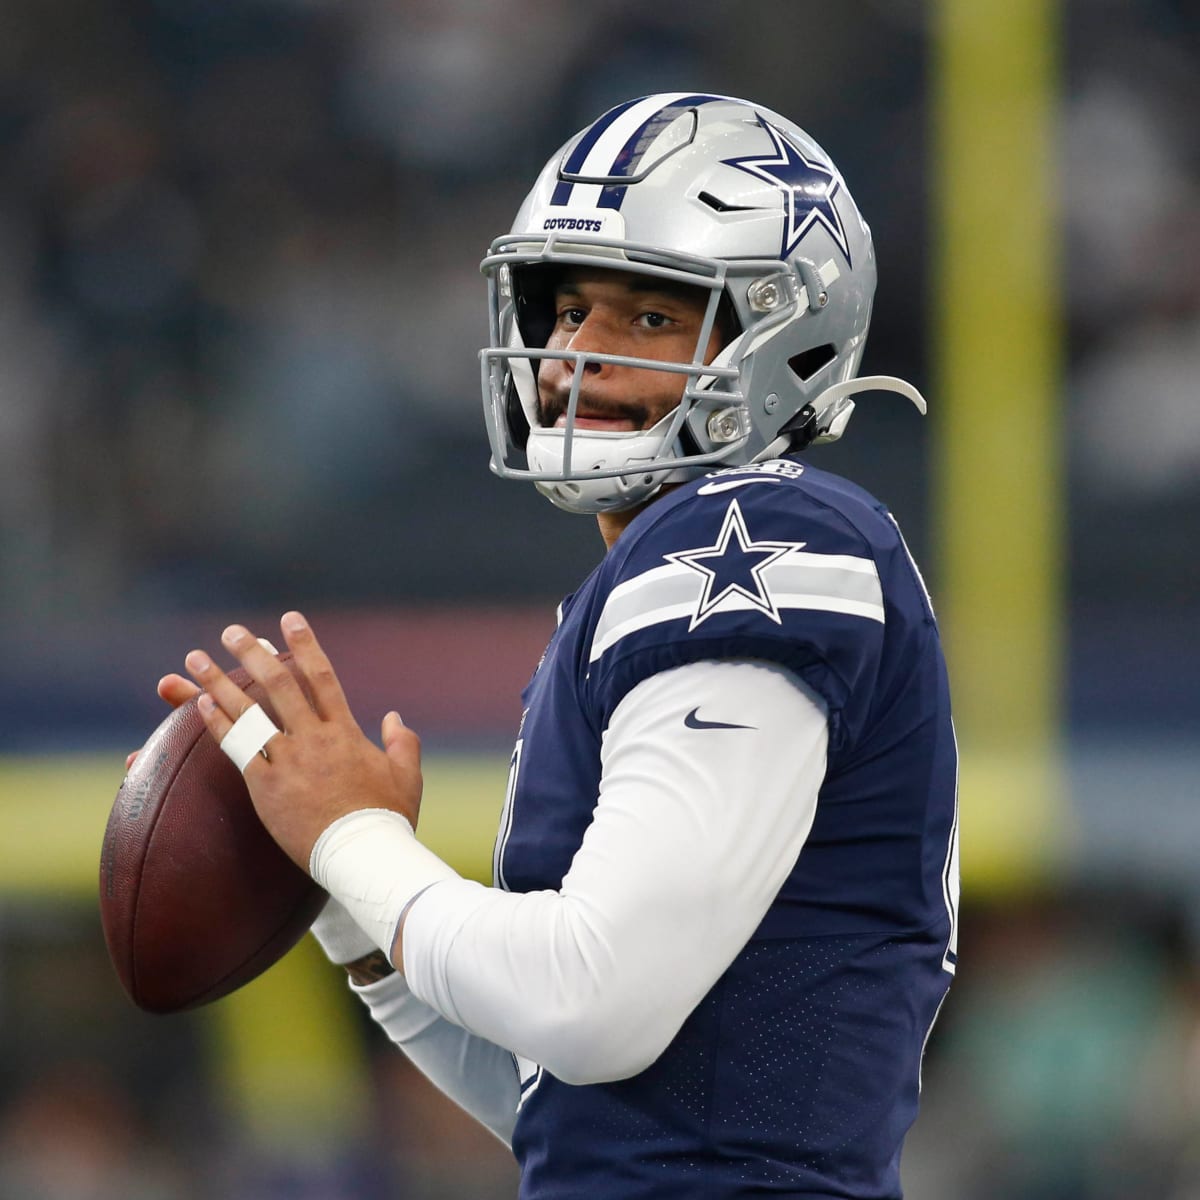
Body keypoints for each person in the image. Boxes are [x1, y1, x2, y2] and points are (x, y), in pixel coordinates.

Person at [159, 94, 960, 1198]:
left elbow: (593, 1007)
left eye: (646, 318)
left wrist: (348, 835)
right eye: (568, 309)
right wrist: (361, 921)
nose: (574, 355)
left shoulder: (760, 536)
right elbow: (571, 1110)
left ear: (787, 336)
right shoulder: (643, 577)